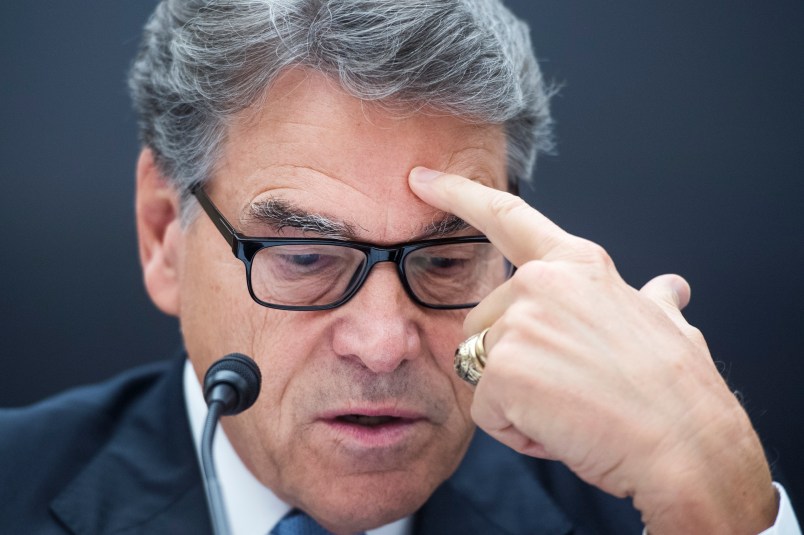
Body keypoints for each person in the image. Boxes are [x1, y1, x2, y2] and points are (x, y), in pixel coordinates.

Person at [0, 1, 799, 533]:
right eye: (305, 255)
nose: (383, 344)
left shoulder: (646, 510)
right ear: (162, 232)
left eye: (448, 257)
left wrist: (724, 499)